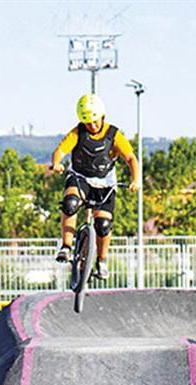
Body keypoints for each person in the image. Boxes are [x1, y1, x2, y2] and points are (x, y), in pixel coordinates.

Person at [50, 93, 140, 280]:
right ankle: (66, 246)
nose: (92, 126)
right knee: (70, 203)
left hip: (104, 183)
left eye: (95, 121)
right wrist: (57, 163)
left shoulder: (114, 135)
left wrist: (135, 180)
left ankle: (101, 260)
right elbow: (60, 150)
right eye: (87, 122)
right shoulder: (78, 132)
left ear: (102, 116)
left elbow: (131, 158)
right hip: (80, 177)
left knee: (103, 224)